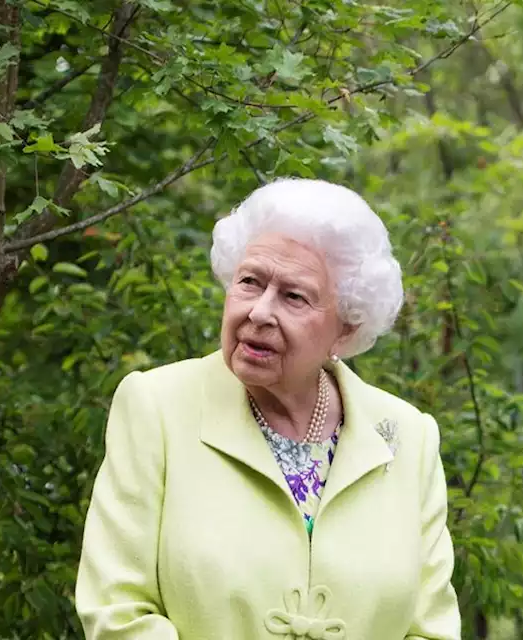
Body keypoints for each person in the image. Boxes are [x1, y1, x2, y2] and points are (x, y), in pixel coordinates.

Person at [74, 178, 461, 639]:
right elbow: (117, 611)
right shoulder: (156, 407)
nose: (259, 312)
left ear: (345, 328)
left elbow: (431, 627)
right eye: (250, 282)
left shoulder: (407, 436)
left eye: (294, 296)